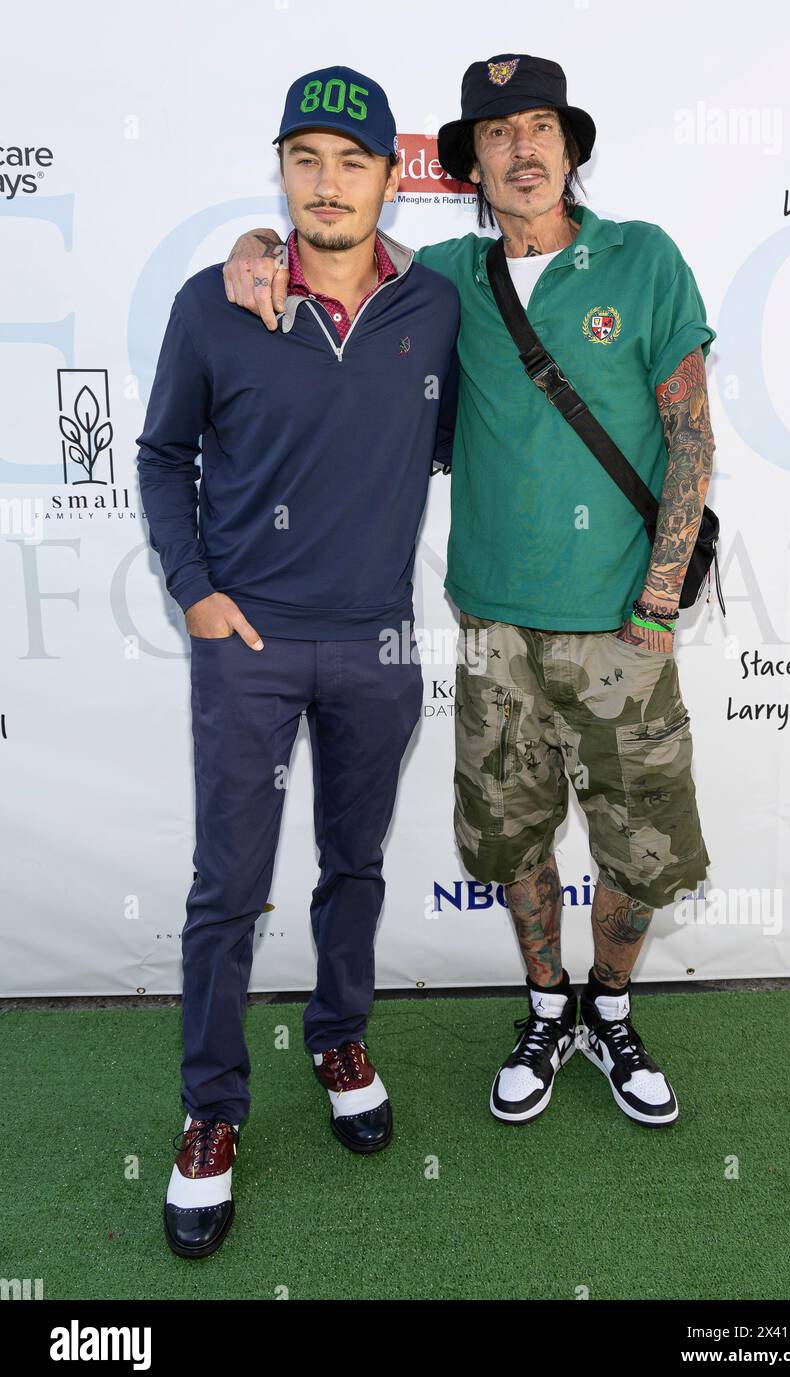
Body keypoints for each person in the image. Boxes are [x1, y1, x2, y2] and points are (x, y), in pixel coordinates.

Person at [221, 53, 717, 1134]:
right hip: (491, 626)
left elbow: (690, 440)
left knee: (640, 852)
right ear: (470, 167)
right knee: (511, 842)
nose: (522, 149)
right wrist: (253, 246)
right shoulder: (444, 281)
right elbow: (331, 252)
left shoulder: (642, 260)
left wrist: (654, 606)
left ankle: (612, 1006)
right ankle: (545, 1006)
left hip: (625, 631)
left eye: (539, 126)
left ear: (570, 148)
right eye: (497, 134)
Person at [136, 65, 459, 1259]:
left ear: (389, 176)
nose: (327, 186)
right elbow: (164, 453)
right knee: (227, 888)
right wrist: (196, 594)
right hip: (248, 647)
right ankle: (210, 1114)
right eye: (304, 161)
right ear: (279, 166)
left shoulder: (435, 305)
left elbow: (445, 438)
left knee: (352, 864)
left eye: (353, 162)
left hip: (376, 640)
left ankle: (337, 1033)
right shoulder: (213, 302)